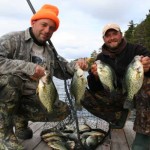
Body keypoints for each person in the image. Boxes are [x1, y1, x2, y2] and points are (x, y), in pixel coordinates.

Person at [0, 4, 88, 150]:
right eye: (44, 24)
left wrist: (77, 66)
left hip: (33, 96)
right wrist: (29, 68)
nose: (47, 30)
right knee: (12, 81)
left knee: (63, 110)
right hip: (6, 95)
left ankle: (20, 120)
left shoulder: (50, 51)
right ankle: (4, 135)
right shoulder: (13, 39)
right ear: (33, 22)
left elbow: (64, 69)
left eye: (52, 28)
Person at [81, 23, 150, 150]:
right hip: (117, 95)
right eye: (108, 36)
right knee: (81, 94)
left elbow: (148, 60)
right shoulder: (100, 58)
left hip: (137, 93)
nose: (112, 38)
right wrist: (95, 77)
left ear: (121, 35)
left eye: (114, 34)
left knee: (148, 83)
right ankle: (118, 117)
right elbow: (94, 88)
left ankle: (144, 134)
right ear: (104, 39)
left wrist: (148, 67)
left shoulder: (136, 50)